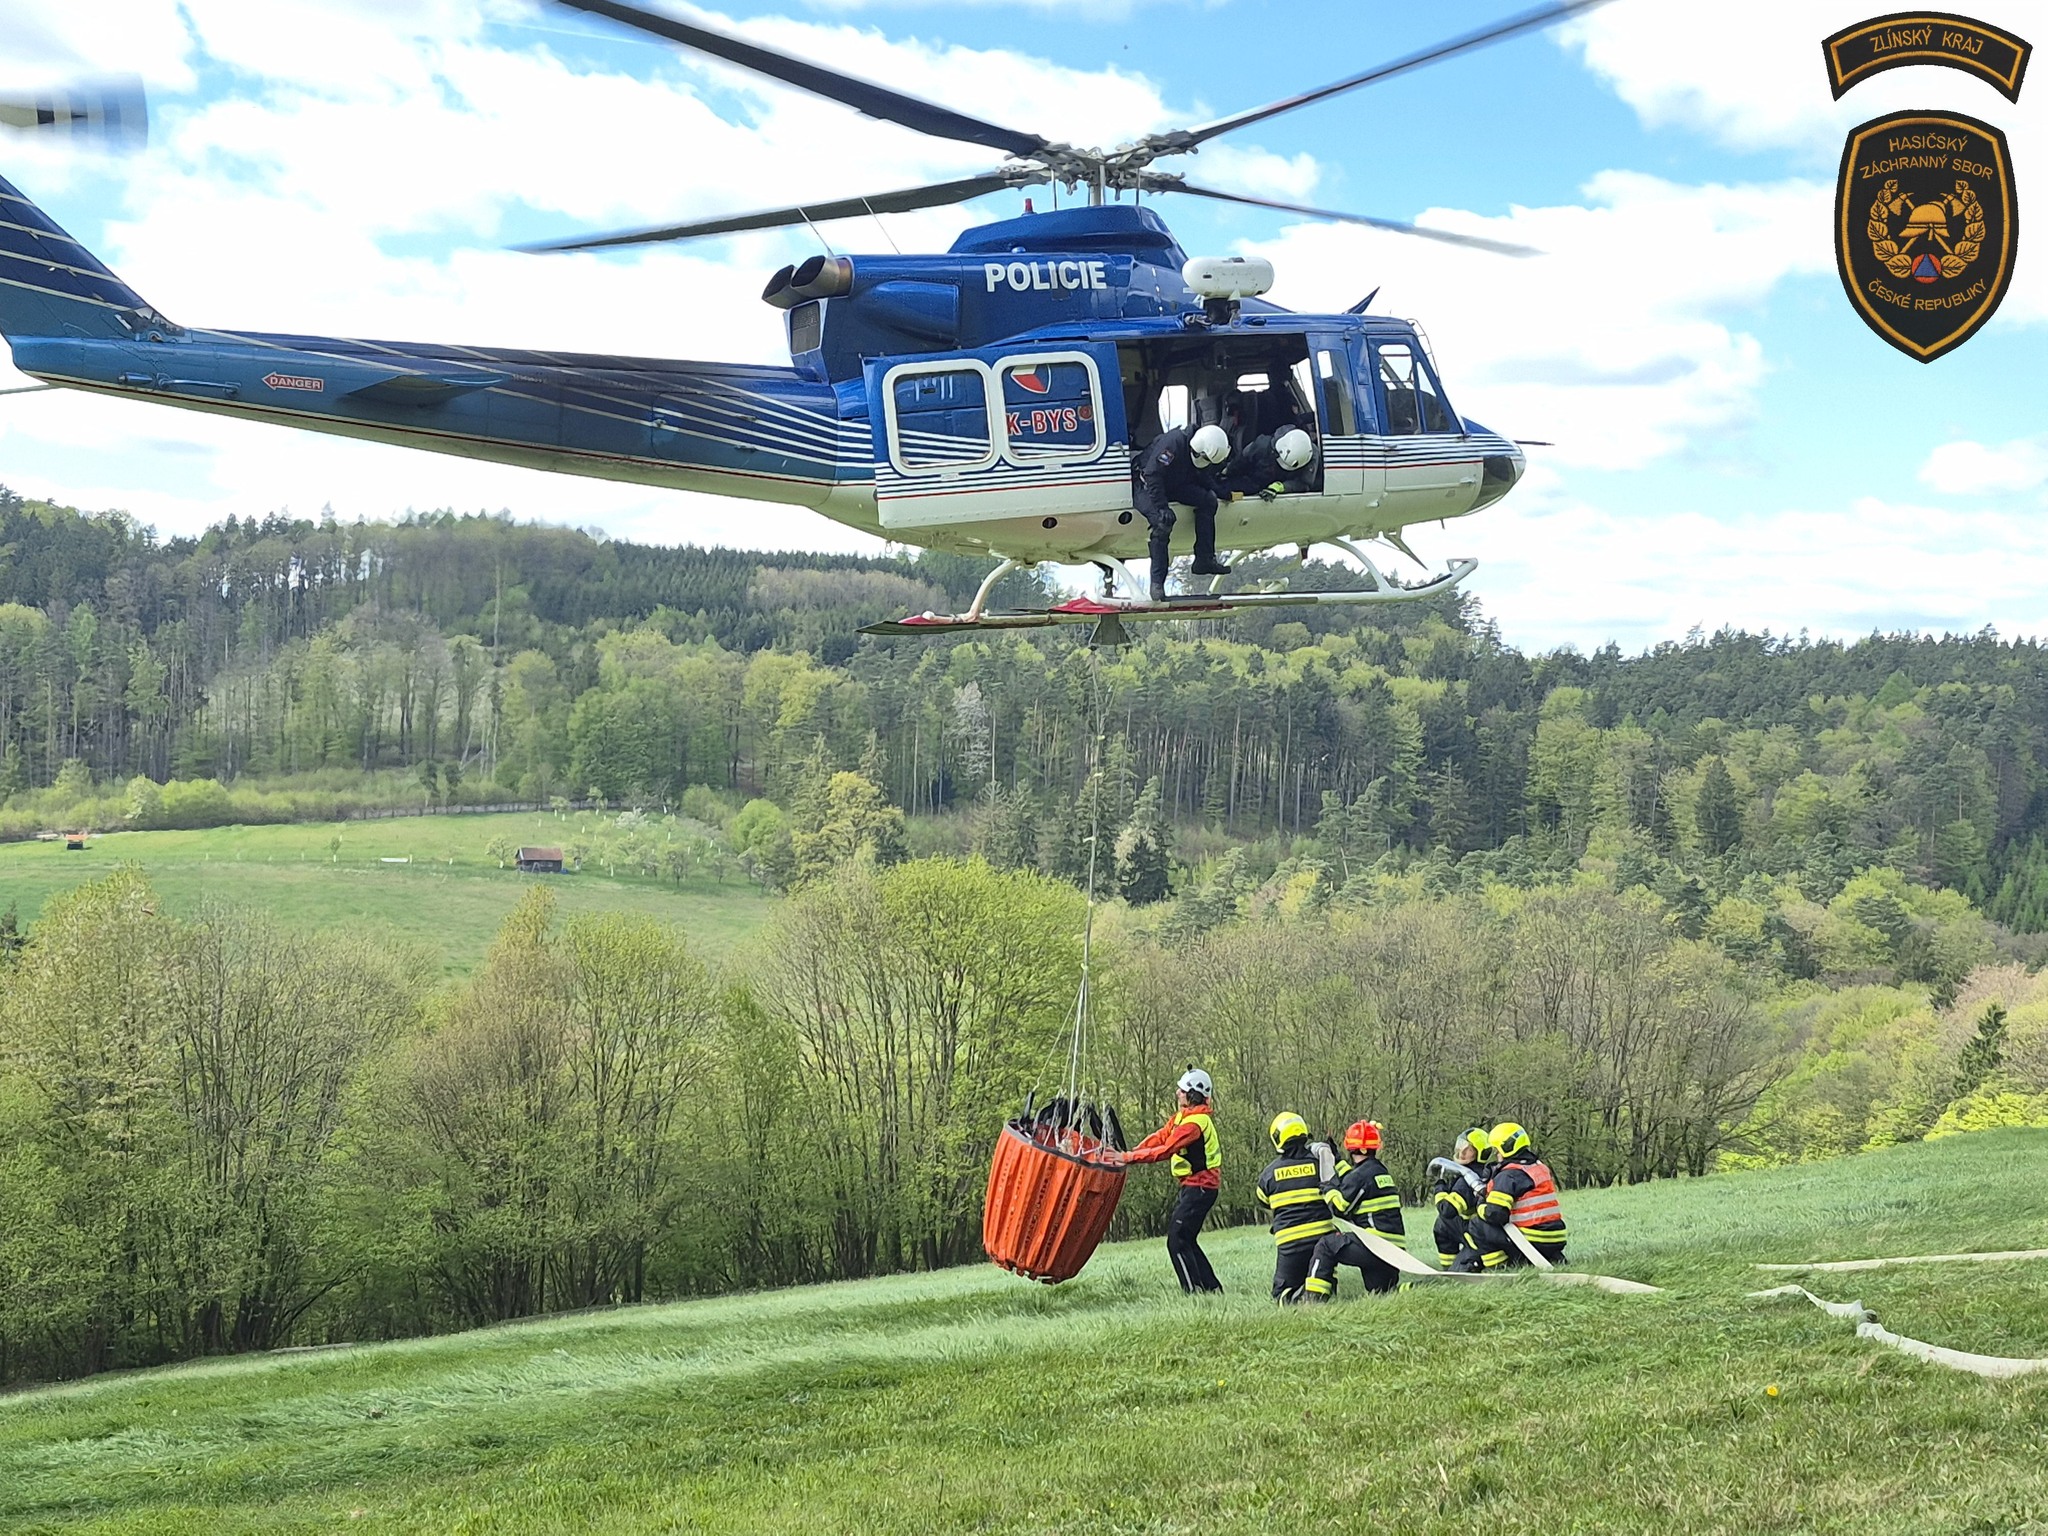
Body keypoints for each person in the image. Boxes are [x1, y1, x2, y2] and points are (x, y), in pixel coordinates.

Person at [1122, 1068, 1223, 1294]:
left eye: (1182, 1090)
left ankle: (1193, 1292)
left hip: (1201, 1187)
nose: (1178, 1093)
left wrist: (1128, 1158)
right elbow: (1160, 1137)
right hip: (1193, 1187)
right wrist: (1134, 1151)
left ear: (1193, 1095)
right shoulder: (1182, 1117)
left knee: (1177, 1240)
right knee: (1186, 1238)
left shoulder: (1193, 1124)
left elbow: (1166, 1150)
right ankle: (1212, 1289)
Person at [1303, 1119, 1404, 1300]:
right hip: (1393, 1249)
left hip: (1375, 1245)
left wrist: (1327, 1189)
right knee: (1383, 1294)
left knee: (1326, 1245)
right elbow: (1351, 1179)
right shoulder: (1378, 1171)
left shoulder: (1361, 1176)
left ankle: (1313, 1300)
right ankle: (1419, 1289)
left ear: (1350, 1147)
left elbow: (1340, 1208)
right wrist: (1337, 1160)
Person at [1132, 423, 1232, 603]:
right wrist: (1162, 507)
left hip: (1173, 483)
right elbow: (1152, 474)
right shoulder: (1173, 444)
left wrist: (1220, 491)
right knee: (1163, 522)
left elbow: (1203, 475)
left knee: (1208, 500)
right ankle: (1157, 583)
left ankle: (1204, 559)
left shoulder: (1201, 452)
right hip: (1146, 484)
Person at [1461, 1121, 1567, 1270]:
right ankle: (1552, 1258)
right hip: (1556, 1237)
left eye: (1497, 1150)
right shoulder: (1538, 1167)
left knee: (1477, 1225)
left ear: (1506, 1148)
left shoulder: (1509, 1175)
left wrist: (1481, 1205)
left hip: (1532, 1239)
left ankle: (1499, 1268)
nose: (1496, 1154)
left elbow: (1496, 1215)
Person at [1254, 1111, 1337, 1302]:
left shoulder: (1269, 1174)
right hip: (1322, 1242)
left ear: (1278, 1139)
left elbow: (1263, 1200)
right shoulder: (1320, 1165)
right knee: (1323, 1283)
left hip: (1290, 1244)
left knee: (1281, 1295)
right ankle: (1322, 1286)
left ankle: (1299, 1296)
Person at [1429, 1127, 1493, 1270]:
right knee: (1443, 1225)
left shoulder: (1468, 1179)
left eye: (1468, 1149)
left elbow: (1447, 1210)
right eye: (1461, 1147)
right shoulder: (1484, 1171)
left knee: (1443, 1221)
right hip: (1482, 1230)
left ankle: (1453, 1268)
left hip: (1475, 1235)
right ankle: (1450, 1266)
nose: (1462, 1152)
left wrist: (1440, 1186)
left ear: (1480, 1153)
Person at [1223, 426, 1316, 502]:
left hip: (1282, 485)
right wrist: (1227, 471)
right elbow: (1242, 460)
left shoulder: (1310, 455)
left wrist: (1281, 487)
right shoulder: (1261, 445)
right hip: (1255, 479)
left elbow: (1304, 483)